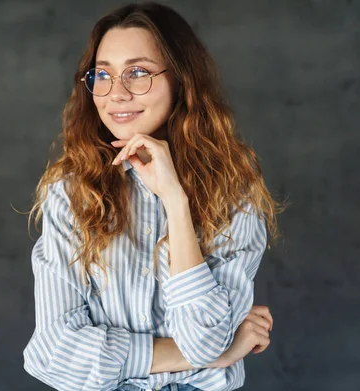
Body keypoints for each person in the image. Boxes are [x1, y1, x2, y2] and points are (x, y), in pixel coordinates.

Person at [22, 3, 284, 391]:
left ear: (182, 80)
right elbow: (53, 355)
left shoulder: (234, 192)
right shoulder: (70, 193)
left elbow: (203, 338)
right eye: (103, 75)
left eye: (138, 72)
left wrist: (175, 202)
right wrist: (220, 354)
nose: (116, 94)